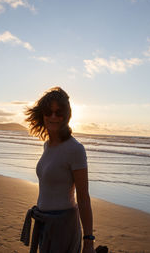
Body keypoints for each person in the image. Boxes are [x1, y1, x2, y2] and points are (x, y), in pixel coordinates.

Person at [21, 87, 95, 253]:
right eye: (49, 112)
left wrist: (89, 241)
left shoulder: (75, 149)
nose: (53, 117)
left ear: (66, 116)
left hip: (63, 227)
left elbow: (83, 198)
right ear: (42, 114)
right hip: (44, 224)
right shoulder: (47, 145)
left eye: (59, 112)